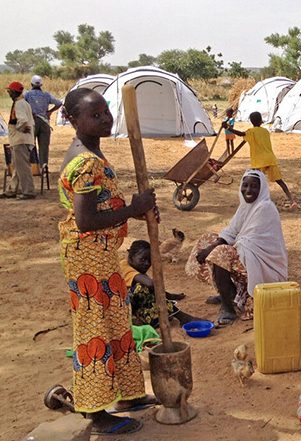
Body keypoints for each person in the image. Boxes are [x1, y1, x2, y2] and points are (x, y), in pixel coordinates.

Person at [58, 88, 158, 435]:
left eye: (105, 112)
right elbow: (86, 221)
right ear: (73, 119)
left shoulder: (92, 154)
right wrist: (133, 209)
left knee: (116, 323)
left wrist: (130, 207)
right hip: (88, 259)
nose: (104, 119)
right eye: (94, 115)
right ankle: (95, 412)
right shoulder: (85, 162)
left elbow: (100, 208)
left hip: (100, 256)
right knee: (94, 332)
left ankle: (127, 395)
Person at [186, 169, 288, 326]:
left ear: (261, 189)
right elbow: (231, 231)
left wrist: (215, 248)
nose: (248, 190)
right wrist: (212, 245)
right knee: (208, 239)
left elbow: (246, 242)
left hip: (263, 268)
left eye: (254, 186)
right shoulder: (246, 207)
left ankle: (228, 308)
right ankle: (227, 292)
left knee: (220, 253)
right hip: (246, 257)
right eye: (245, 185)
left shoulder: (265, 208)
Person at [121, 240, 202, 327]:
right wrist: (168, 297)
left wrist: (171, 296)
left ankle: (148, 320)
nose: (147, 263)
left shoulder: (136, 268)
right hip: (122, 308)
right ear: (130, 257)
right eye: (143, 259)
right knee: (142, 288)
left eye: (150, 259)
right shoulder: (124, 266)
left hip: (133, 307)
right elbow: (150, 285)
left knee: (158, 315)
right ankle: (183, 317)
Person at [229, 112, 296, 207]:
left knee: (255, 181)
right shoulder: (265, 131)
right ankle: (291, 200)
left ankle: (256, 200)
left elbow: (241, 134)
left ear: (251, 121)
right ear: (261, 121)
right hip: (270, 159)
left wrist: (228, 128)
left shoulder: (251, 132)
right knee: (280, 181)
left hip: (259, 161)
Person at [2, 82, 35, 200]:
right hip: (20, 139)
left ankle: (29, 191)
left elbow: (22, 120)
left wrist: (20, 128)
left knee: (23, 167)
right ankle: (12, 189)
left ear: (15, 92)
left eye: (10, 91)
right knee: (17, 166)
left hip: (20, 139)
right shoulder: (22, 103)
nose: (9, 93)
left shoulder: (19, 104)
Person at [24, 75, 62, 168]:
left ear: (31, 84)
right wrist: (50, 112)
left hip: (32, 122)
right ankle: (43, 167)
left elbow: (23, 105)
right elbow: (59, 103)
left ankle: (33, 167)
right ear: (41, 84)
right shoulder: (46, 95)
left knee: (30, 145)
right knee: (44, 147)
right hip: (45, 122)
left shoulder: (27, 95)